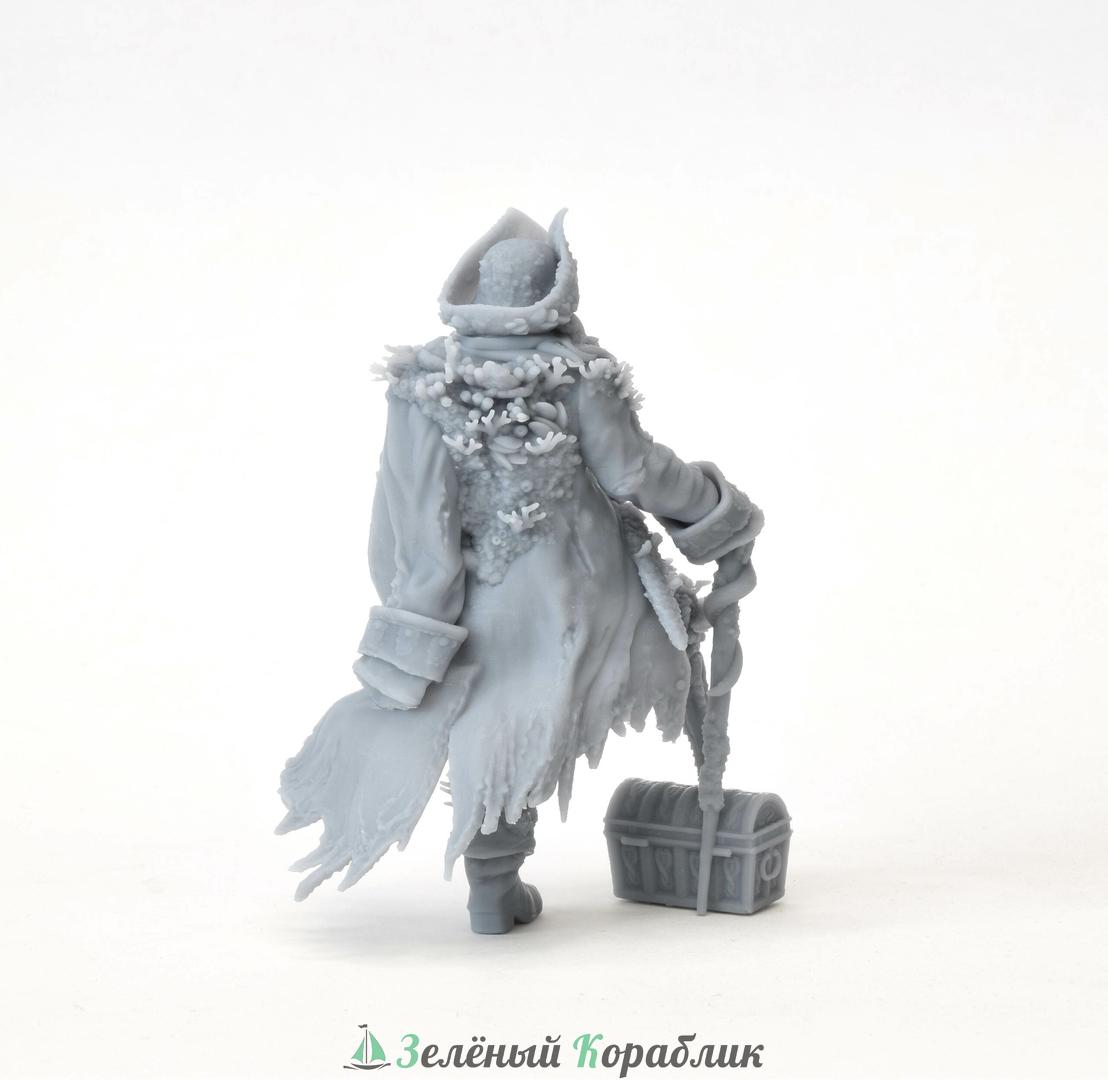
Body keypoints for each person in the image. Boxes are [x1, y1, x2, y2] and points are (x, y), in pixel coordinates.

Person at [277, 208, 762, 933]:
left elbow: (410, 508)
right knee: (550, 706)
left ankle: (493, 886)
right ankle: (497, 884)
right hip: (577, 587)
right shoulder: (576, 372)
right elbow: (634, 472)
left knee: (497, 724)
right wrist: (719, 511)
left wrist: (415, 609)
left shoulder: (424, 381)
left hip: (471, 592)